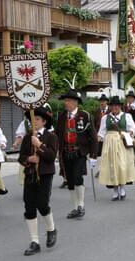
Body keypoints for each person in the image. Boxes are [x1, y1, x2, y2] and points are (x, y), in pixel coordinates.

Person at [19, 106, 58, 256]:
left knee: (42, 204)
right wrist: (29, 159)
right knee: (29, 207)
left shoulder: (51, 137)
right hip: (30, 174)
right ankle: (34, 241)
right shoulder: (27, 137)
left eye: (37, 119)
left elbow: (51, 156)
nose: (34, 122)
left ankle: (51, 229)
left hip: (45, 175)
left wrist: (39, 145)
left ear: (44, 121)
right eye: (32, 120)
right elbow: (21, 157)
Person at [56, 88, 98, 219]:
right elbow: (57, 135)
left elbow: (93, 137)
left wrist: (93, 156)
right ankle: (75, 208)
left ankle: (81, 205)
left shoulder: (85, 116)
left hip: (79, 152)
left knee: (78, 177)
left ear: (75, 102)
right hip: (65, 152)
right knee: (70, 180)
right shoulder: (62, 116)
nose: (65, 103)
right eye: (65, 100)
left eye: (68, 100)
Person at [98, 96, 135, 200]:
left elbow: (133, 128)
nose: (114, 107)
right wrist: (94, 144)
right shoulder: (105, 118)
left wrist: (127, 134)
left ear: (120, 106)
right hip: (109, 144)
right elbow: (101, 132)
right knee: (112, 166)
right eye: (113, 106)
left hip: (122, 143)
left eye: (117, 105)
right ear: (110, 106)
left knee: (121, 165)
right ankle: (115, 190)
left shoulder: (126, 116)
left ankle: (122, 188)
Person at [93, 93, 110, 178]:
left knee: (107, 153)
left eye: (103, 101)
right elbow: (94, 123)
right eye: (100, 101)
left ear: (107, 102)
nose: (102, 103)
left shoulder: (110, 111)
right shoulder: (96, 111)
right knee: (99, 153)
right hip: (99, 135)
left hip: (108, 135)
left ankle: (107, 170)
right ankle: (100, 170)